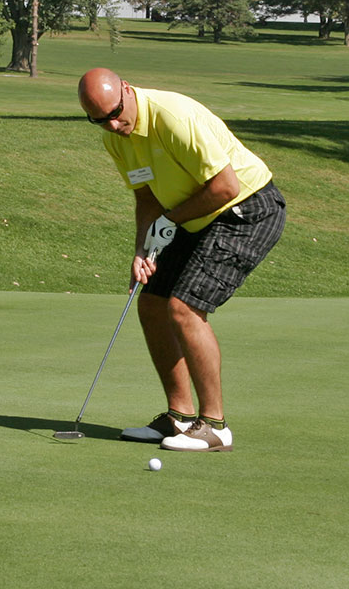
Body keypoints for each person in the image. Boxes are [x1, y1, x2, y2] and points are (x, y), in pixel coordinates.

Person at [78, 68, 285, 452]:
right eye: (99, 120)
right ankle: (181, 418)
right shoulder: (116, 138)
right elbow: (146, 197)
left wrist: (169, 222)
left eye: (115, 112)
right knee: (152, 303)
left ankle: (216, 427)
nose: (112, 123)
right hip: (192, 215)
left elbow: (226, 186)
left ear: (127, 88)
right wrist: (143, 249)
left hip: (246, 209)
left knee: (184, 308)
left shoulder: (173, 116)